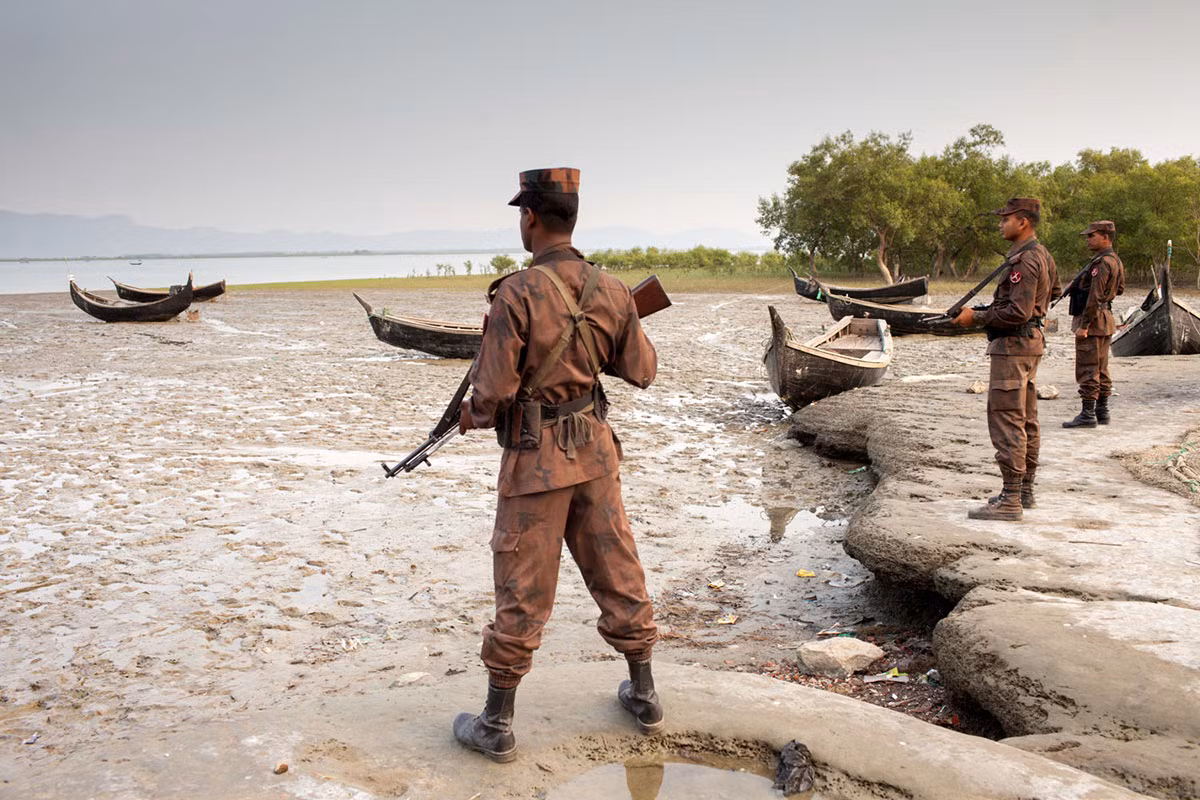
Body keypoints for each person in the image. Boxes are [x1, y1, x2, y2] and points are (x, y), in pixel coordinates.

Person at [452, 168, 663, 762]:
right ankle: (645, 695)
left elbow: (493, 394)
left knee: (521, 587)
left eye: (521, 215)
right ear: (572, 216)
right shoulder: (612, 289)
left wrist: (471, 414)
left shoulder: (516, 293)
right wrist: (609, 329)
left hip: (535, 463)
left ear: (530, 218)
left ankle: (497, 724)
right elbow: (643, 370)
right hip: (594, 455)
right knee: (618, 569)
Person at [954, 198, 1060, 520]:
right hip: (1029, 345)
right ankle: (1024, 491)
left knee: (1007, 419)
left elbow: (1018, 311)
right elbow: (1054, 292)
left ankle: (1011, 499)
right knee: (1026, 418)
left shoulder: (1024, 260)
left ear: (1023, 222)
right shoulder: (1042, 254)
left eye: (1006, 219)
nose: (1001, 225)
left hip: (1013, 348)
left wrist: (976, 317)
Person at [1062, 220, 1125, 428]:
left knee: (1088, 367)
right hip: (1105, 318)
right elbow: (1120, 289)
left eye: (1092, 235)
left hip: (1094, 320)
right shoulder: (1115, 260)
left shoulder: (1101, 263)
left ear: (1105, 237)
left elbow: (1094, 296)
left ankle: (1088, 413)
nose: (1088, 240)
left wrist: (1084, 325)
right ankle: (1102, 411)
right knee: (1101, 367)